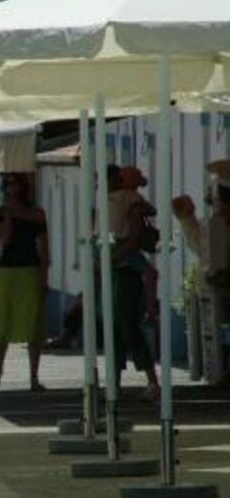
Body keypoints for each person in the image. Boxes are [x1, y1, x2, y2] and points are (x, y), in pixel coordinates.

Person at [0, 173, 49, 393]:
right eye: (8, 187)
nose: (12, 191)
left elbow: (44, 248)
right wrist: (10, 217)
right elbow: (4, 240)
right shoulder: (0, 212)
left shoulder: (37, 213)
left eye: (16, 186)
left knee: (33, 324)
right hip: (8, 270)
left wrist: (44, 278)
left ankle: (34, 377)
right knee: (3, 322)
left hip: (30, 269)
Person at [103, 164, 160, 399]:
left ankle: (148, 380)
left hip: (121, 260)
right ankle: (118, 380)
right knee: (117, 328)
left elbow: (135, 236)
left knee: (125, 326)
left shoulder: (128, 198)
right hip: (115, 259)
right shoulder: (117, 197)